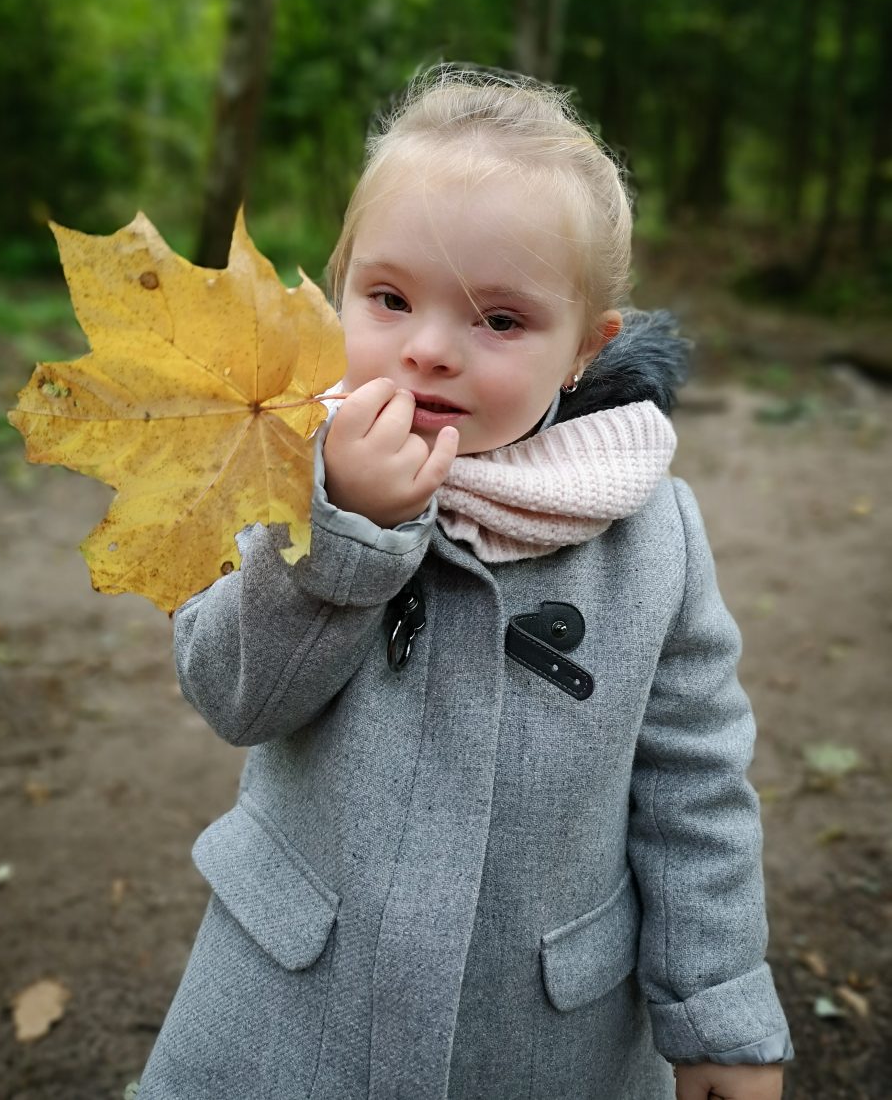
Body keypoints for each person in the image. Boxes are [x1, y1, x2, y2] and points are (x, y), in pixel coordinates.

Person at [135, 64, 792, 1099]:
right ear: (339, 287)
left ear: (584, 347)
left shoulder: (648, 531)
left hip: (541, 1038)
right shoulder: (290, 468)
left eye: (499, 320)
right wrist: (350, 529)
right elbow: (232, 692)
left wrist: (715, 1005)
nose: (430, 350)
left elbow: (695, 783)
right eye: (389, 298)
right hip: (293, 1016)